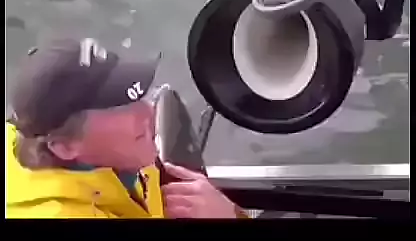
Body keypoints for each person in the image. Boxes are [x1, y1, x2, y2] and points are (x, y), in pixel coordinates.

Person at [6, 38, 248, 219]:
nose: (148, 111)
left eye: (135, 97)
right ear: (65, 146)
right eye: (118, 107)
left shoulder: (124, 153)